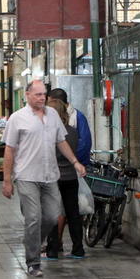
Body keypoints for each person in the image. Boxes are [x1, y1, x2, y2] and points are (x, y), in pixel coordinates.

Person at [2, 80, 86, 277]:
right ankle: (33, 262)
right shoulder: (17, 118)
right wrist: (7, 179)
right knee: (33, 217)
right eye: (38, 94)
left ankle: (32, 241)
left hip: (50, 176)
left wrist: (75, 162)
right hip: (26, 176)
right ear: (27, 95)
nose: (42, 98)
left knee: (51, 216)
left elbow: (61, 141)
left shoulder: (53, 115)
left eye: (44, 95)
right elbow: (9, 150)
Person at [46, 88, 92, 253]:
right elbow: (81, 147)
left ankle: (52, 249)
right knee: (73, 213)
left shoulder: (49, 133)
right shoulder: (72, 131)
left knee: (53, 213)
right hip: (71, 177)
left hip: (53, 178)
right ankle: (78, 248)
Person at [47, 88, 92, 166]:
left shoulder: (78, 117)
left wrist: (70, 160)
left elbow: (85, 144)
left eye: (50, 102)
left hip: (77, 165)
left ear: (57, 102)